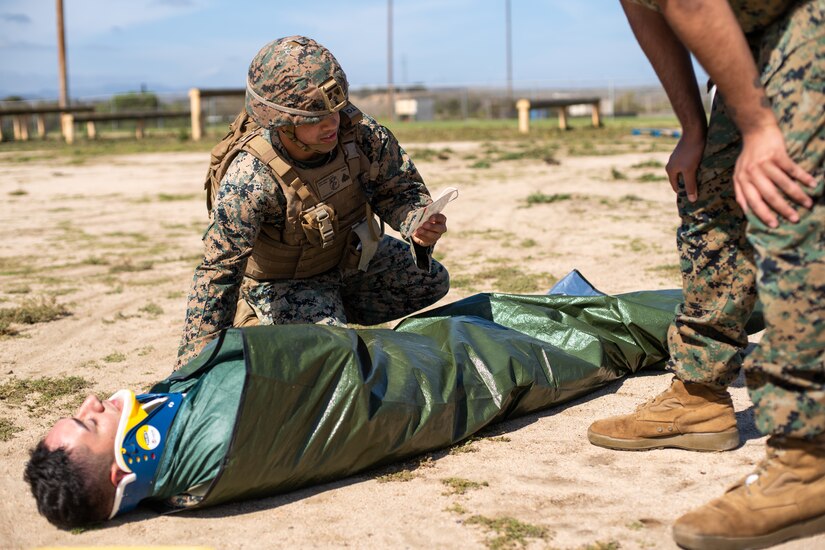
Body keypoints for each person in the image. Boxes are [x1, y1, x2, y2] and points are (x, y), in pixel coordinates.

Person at [26, 273, 692, 529]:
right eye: (89, 422)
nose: (94, 400)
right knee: (576, 332)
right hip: (435, 380)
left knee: (541, 315)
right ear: (122, 470)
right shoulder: (210, 436)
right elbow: (316, 368)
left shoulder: (182, 465)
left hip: (410, 362)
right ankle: (725, 313)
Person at [587, 1, 823, 548]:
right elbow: (650, 7)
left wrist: (762, 127)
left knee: (785, 200)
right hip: (751, 34)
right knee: (708, 200)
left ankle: (811, 455)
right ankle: (699, 393)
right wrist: (694, 127)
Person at [176, 36, 450, 368]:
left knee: (428, 279)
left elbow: (399, 189)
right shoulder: (251, 177)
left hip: (345, 261)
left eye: (335, 110)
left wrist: (416, 223)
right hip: (285, 282)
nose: (332, 123)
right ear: (282, 122)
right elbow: (218, 272)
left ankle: (322, 312)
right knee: (334, 355)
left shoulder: (359, 133)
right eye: (315, 118)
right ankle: (259, 319)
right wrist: (192, 369)